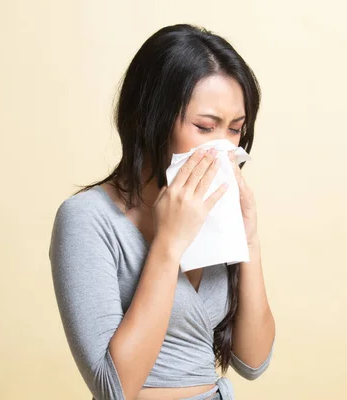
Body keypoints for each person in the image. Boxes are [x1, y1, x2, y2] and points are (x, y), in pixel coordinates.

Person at [49, 24, 276, 400]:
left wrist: (249, 238)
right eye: (205, 127)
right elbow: (114, 389)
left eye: (235, 130)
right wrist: (169, 243)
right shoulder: (87, 218)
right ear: (148, 119)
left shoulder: (215, 214)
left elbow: (253, 361)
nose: (223, 147)